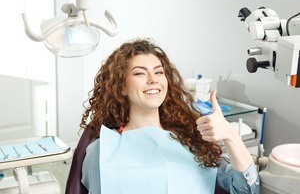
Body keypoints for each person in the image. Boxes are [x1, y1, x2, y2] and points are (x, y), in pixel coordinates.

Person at [80, 38, 260, 193]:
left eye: (159, 72)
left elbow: (247, 190)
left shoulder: (193, 142)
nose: (153, 79)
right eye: (140, 73)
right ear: (122, 87)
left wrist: (231, 136)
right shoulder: (103, 150)